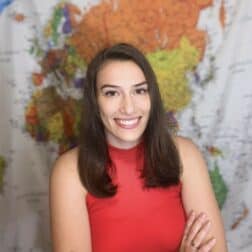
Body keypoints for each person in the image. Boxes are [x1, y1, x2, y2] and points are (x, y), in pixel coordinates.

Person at [49, 43, 227, 252]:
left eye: (139, 90)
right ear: (95, 102)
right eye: (112, 93)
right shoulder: (69, 172)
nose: (129, 107)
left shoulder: (185, 155)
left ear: (151, 96)